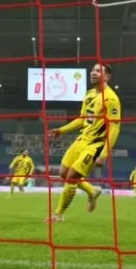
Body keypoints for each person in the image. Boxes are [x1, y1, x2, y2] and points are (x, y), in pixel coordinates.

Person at [46, 63, 121, 223]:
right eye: (93, 70)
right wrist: (61, 130)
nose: (93, 73)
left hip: (95, 144)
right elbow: (81, 120)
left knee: (72, 177)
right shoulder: (89, 94)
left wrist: (104, 154)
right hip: (82, 139)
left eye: (98, 71)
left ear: (107, 77)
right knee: (63, 173)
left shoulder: (111, 99)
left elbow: (114, 128)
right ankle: (92, 191)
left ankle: (58, 215)